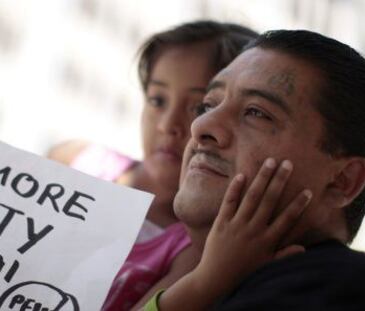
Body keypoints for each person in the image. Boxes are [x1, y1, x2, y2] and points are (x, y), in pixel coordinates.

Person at [138, 29, 365, 310]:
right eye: (207, 105)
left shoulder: (353, 292)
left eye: (256, 112)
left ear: (342, 180)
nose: (200, 126)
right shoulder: (176, 278)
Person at [47, 21, 259, 310]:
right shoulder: (75, 161)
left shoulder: (197, 250)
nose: (167, 125)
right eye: (158, 100)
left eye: (200, 107)